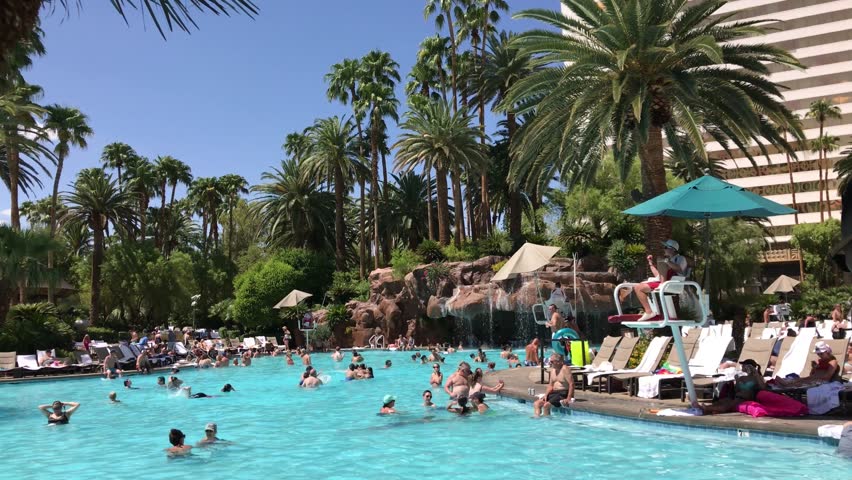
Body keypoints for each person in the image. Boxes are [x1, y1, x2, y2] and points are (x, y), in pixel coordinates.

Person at [620, 239, 688, 322]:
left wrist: (666, 262)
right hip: (663, 282)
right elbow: (659, 276)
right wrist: (651, 264)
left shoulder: (680, 258)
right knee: (638, 287)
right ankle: (649, 311)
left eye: (665, 247)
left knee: (660, 261)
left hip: (673, 284)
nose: (664, 249)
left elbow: (680, 269)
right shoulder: (666, 261)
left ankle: (649, 311)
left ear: (673, 249)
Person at [700, 359, 767, 414]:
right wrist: (737, 381)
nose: (742, 367)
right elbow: (737, 390)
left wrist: (755, 374)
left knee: (729, 404)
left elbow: (762, 387)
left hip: (746, 399)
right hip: (737, 397)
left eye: (744, 365)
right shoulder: (741, 377)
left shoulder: (757, 378)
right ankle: (710, 409)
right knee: (723, 401)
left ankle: (707, 408)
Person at [776, 341, 841, 388]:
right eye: (818, 354)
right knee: (801, 379)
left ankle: (786, 385)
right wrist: (814, 368)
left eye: (821, 354)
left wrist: (812, 378)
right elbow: (812, 374)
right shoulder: (819, 361)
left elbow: (827, 377)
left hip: (823, 381)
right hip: (814, 379)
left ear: (827, 352)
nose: (819, 355)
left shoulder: (833, 362)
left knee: (803, 381)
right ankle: (786, 383)